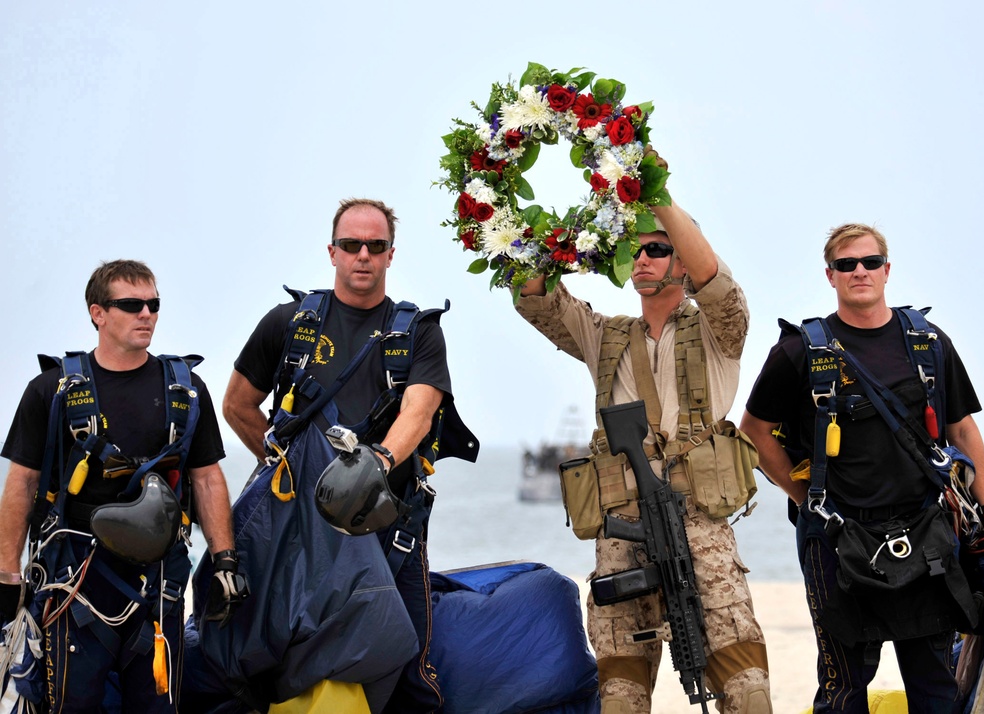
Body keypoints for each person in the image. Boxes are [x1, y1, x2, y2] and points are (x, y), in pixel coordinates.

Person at [514, 186, 772, 714]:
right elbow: (535, 296)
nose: (643, 259)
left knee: (747, 689)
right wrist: (566, 237)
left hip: (699, 523)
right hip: (622, 528)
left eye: (658, 248)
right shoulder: (604, 335)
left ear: (682, 255)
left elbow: (716, 285)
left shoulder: (719, 331)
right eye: (634, 250)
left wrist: (652, 193)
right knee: (621, 694)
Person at [223, 197, 476, 713]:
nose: (363, 254)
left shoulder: (419, 332)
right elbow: (237, 405)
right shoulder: (288, 323)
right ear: (332, 252)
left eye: (375, 246)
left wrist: (374, 469)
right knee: (267, 655)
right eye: (351, 244)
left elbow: (419, 412)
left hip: (389, 528)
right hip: (296, 531)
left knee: (406, 665)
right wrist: (294, 474)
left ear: (390, 255)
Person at [740, 223, 984, 713]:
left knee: (937, 690)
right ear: (830, 275)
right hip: (838, 539)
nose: (859, 271)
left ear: (887, 270)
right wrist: (804, 498)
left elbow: (961, 427)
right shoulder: (800, 350)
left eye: (869, 262)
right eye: (846, 264)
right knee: (842, 692)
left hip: (927, 535)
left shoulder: (927, 341)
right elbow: (754, 429)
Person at [0, 259, 243, 712]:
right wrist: (7, 573)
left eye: (153, 304)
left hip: (159, 584)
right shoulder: (50, 391)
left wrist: (225, 559)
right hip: (74, 581)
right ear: (98, 313)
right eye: (132, 305)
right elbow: (22, 483)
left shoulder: (187, 391)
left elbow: (207, 478)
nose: (146, 314)